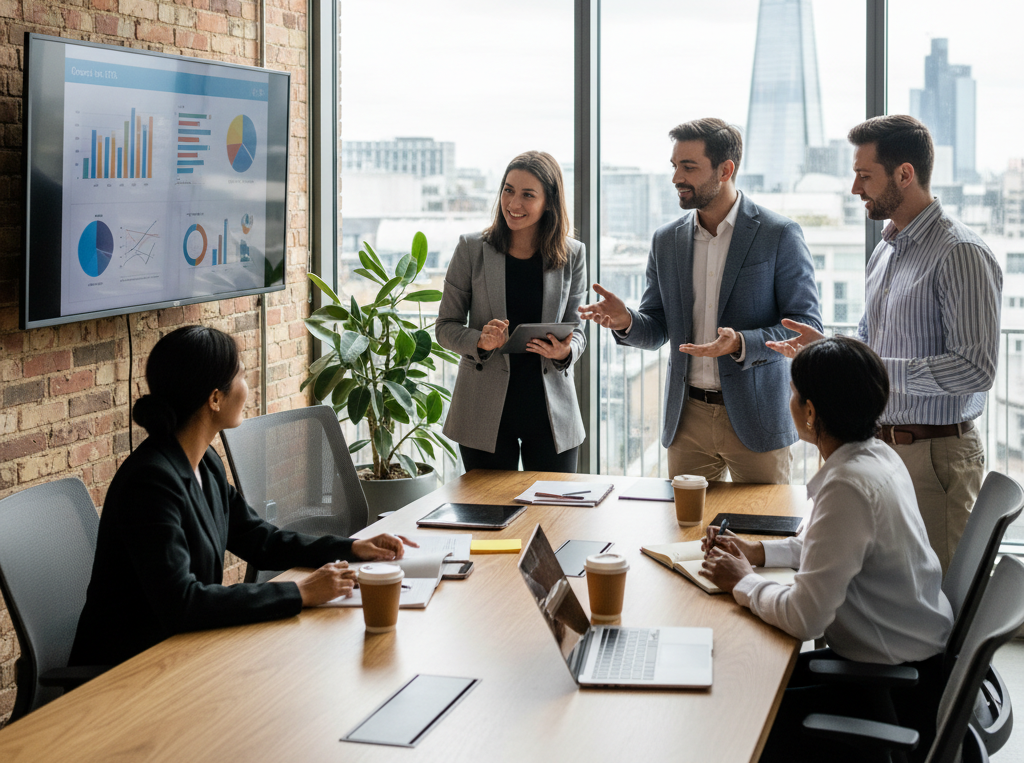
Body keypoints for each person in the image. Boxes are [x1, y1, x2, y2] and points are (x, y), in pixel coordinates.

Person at [70, 326, 413, 667]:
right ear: (215, 398)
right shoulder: (150, 482)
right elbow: (183, 602)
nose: (247, 389)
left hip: (186, 653)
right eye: (242, 377)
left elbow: (259, 539)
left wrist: (351, 548)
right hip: (129, 670)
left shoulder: (205, 461)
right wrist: (301, 592)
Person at [700, 336, 953, 762]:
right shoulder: (876, 457)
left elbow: (804, 618)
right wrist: (758, 551)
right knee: (741, 678)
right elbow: (831, 548)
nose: (791, 400)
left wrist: (743, 581)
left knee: (731, 707)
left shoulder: (848, 487)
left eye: (795, 394)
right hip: (905, 665)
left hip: (886, 689)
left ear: (812, 412)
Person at [769, 115, 1002, 573]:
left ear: (905, 174)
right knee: (880, 585)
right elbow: (870, 338)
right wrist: (832, 351)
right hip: (880, 447)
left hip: (937, 459)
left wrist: (872, 371)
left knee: (938, 597)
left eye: (864, 175)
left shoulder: (960, 252)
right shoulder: (886, 247)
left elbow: (975, 369)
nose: (856, 188)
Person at [578, 118, 821, 483]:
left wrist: (741, 343)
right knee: (684, 534)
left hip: (756, 419)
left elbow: (807, 329)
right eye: (675, 166)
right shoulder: (666, 241)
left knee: (762, 528)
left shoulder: (779, 234)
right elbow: (657, 327)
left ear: (726, 170)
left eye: (689, 167)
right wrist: (626, 320)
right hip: (686, 418)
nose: (677, 177)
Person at [435, 150, 586, 472]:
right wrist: (480, 341)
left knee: (553, 517)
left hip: (551, 410)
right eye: (508, 190)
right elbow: (445, 326)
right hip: (483, 410)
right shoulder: (471, 249)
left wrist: (565, 350)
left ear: (549, 201)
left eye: (528, 195)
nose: (513, 204)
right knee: (488, 516)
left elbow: (579, 331)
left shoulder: (573, 254)